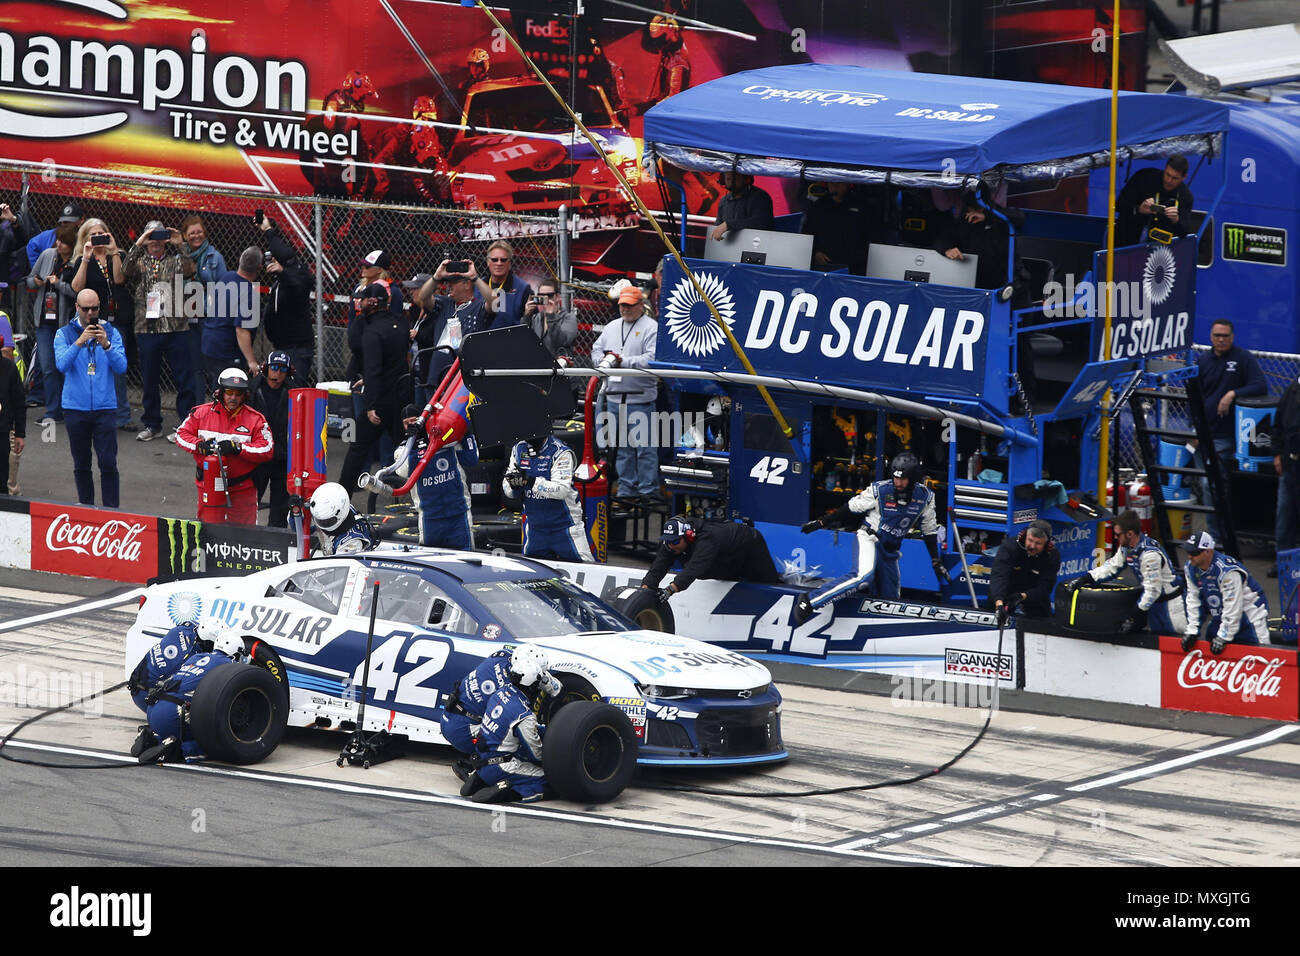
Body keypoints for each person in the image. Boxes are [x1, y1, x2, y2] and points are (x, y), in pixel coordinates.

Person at [797, 452, 946, 617]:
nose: (898, 482)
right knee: (863, 576)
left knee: (892, 604)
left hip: (890, 551)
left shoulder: (925, 497)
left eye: (903, 479)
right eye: (895, 478)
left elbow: (929, 529)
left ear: (913, 478)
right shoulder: (880, 490)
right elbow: (851, 507)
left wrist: (935, 560)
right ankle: (810, 600)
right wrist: (821, 522)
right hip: (869, 538)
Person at [125, 219, 199, 441]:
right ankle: (152, 424)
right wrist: (139, 243)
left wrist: (180, 244)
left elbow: (190, 269)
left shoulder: (175, 260)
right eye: (151, 238)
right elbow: (125, 270)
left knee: (184, 377)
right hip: (147, 329)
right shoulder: (140, 262)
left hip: (176, 327)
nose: (155, 243)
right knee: (149, 379)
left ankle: (185, 425)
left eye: (159, 238)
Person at [457, 645, 557, 804]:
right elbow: (536, 753)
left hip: (481, 758)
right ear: (532, 686)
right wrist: (556, 759)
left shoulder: (500, 692)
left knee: (510, 742)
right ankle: (510, 790)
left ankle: (480, 777)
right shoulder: (524, 715)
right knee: (551, 780)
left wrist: (546, 731)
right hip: (502, 766)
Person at [1194, 319, 1266, 539]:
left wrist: (1233, 394)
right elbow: (1195, 397)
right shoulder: (1203, 361)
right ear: (1211, 337)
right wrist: (1194, 429)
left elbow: (1260, 385)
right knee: (1201, 481)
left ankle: (1217, 537)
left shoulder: (1243, 359)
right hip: (1203, 434)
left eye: (1225, 336)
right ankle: (1215, 533)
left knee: (1210, 484)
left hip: (1227, 437)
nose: (1221, 339)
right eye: (1217, 335)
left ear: (1232, 337)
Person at [175, 367, 274, 524]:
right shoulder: (200, 413)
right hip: (208, 485)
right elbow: (180, 435)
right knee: (207, 532)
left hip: (242, 488)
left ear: (244, 395)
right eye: (229, 392)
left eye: (238, 393)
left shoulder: (256, 419)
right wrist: (199, 445)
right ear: (220, 392)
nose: (233, 397)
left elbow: (267, 449)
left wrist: (238, 448)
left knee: (244, 536)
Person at [55, 290, 126, 507]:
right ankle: (86, 508)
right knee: (82, 463)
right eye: (85, 309)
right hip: (75, 407)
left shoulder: (111, 332)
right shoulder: (64, 333)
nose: (90, 313)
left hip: (105, 407)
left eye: (94, 308)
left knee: (108, 463)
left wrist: (106, 345)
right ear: (77, 307)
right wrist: (79, 342)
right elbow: (61, 365)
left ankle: (111, 511)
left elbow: (121, 367)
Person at [339, 282, 411, 496]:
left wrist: (370, 405)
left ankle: (342, 496)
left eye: (362, 300)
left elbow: (373, 370)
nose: (358, 304)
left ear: (371, 302)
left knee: (356, 448)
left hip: (380, 402)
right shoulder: (400, 322)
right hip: (402, 397)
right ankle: (418, 495)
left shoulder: (372, 333)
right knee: (406, 450)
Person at [1063, 509, 1186, 635]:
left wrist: (1133, 615)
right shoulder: (1127, 548)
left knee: (1176, 644)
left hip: (1171, 607)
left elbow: (1153, 590)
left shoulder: (1150, 555)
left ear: (1130, 534)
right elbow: (1112, 567)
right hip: (1155, 605)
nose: (1115, 538)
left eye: (1117, 534)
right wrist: (1086, 578)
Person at [64, 218, 134, 433]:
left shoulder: (119, 255)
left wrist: (113, 252)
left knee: (117, 366)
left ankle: (122, 415)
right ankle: (92, 413)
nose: (98, 239)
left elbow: (119, 279)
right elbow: (76, 287)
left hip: (117, 319)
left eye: (101, 234)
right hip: (94, 319)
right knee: (92, 366)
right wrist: (85, 258)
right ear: (85, 238)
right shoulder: (82, 259)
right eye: (93, 235)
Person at [136, 627, 245, 764]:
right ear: (235, 652)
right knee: (217, 742)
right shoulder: (228, 665)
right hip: (173, 713)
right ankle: (181, 750)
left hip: (154, 708)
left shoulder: (196, 657)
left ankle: (152, 737)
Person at [590, 285, 659, 498]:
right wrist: (603, 362)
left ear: (640, 305)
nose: (625, 309)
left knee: (645, 448)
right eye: (622, 305)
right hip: (614, 397)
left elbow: (652, 359)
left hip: (640, 397)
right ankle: (627, 489)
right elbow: (596, 349)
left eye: (629, 305)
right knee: (622, 449)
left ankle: (647, 491)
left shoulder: (651, 327)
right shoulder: (612, 326)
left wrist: (621, 361)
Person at [386, 403, 479, 550]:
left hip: (459, 513)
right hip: (430, 518)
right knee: (433, 563)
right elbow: (403, 471)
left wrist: (466, 433)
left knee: (465, 561)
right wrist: (416, 445)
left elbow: (471, 459)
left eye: (414, 420)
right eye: (406, 423)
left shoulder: (445, 435)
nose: (411, 425)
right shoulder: (402, 449)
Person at [441, 648, 562, 759]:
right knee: (514, 737)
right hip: (462, 731)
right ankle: (479, 764)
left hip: (450, 713)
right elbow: (556, 688)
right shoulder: (509, 688)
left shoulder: (502, 655)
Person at [502, 431, 593, 562]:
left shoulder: (560, 452)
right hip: (536, 529)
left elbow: (561, 490)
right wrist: (514, 486)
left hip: (566, 528)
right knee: (533, 576)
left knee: (587, 571)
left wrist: (530, 481)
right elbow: (508, 489)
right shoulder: (518, 449)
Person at [641, 515, 780, 600]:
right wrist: (645, 589)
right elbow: (658, 567)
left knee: (767, 581)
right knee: (723, 577)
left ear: (688, 536)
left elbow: (694, 568)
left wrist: (670, 590)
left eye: (676, 541)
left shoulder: (707, 539)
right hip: (725, 558)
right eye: (668, 541)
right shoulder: (670, 544)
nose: (671, 545)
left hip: (749, 545)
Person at [414, 259, 496, 395]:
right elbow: (424, 296)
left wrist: (475, 278)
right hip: (437, 376)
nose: (448, 286)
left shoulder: (478, 306)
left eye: (453, 283)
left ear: (467, 284)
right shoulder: (445, 304)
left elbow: (495, 303)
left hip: (462, 380)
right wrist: (436, 277)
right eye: (447, 283)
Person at [1180, 531, 1270, 653]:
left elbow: (1233, 607)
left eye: (1194, 553)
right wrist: (1192, 630)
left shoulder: (1227, 571)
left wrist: (1224, 636)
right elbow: (1193, 599)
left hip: (1250, 618)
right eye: (1188, 552)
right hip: (1222, 616)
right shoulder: (1190, 568)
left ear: (1208, 551)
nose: (1190, 557)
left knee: (1261, 658)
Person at [25, 223, 76, 426]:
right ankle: (52, 411)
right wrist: (36, 282)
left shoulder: (76, 262)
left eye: (63, 242)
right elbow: (29, 279)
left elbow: (76, 292)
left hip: (65, 323)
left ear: (72, 245)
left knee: (65, 366)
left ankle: (68, 408)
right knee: (47, 367)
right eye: (58, 240)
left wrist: (58, 284)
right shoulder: (48, 254)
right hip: (44, 320)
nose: (59, 244)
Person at [258, 216, 316, 383]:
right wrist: (268, 229)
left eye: (276, 260)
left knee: (293, 389)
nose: (271, 262)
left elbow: (296, 287)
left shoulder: (300, 279)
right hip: (281, 346)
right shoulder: (282, 280)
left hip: (296, 349)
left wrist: (283, 272)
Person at [179, 214, 228, 403]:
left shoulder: (215, 257)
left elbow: (224, 289)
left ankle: (216, 408)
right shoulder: (180, 257)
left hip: (210, 319)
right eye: (191, 233)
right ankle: (198, 410)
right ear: (184, 236)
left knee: (214, 367)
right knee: (195, 368)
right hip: (189, 318)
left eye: (199, 232)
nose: (196, 236)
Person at [934, 189, 1025, 291]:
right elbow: (943, 239)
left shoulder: (1000, 218)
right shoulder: (964, 222)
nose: (974, 212)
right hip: (975, 280)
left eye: (979, 209)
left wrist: (987, 216)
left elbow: (1019, 218)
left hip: (1007, 281)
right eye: (971, 209)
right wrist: (948, 249)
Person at [249, 351, 299, 528]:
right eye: (274, 368)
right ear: (266, 368)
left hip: (282, 458)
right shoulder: (252, 390)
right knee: (250, 502)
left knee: (280, 509)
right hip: (258, 456)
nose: (277, 373)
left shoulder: (294, 392)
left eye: (282, 370)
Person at [202, 247, 261, 388]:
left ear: (240, 262)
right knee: (230, 393)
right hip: (227, 351)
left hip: (209, 344)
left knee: (217, 388)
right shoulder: (248, 293)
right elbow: (241, 330)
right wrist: (251, 361)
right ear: (259, 267)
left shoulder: (226, 277)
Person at [801, 182, 883, 275]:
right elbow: (807, 233)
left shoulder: (863, 207)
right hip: (826, 266)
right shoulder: (818, 206)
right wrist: (816, 253)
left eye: (839, 183)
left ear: (847, 184)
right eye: (832, 183)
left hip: (855, 268)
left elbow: (874, 238)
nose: (835, 186)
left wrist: (860, 257)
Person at [989, 520, 1061, 620]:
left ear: (1046, 544)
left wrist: (1023, 596)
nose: (1032, 546)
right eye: (1030, 540)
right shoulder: (1009, 547)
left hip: (1033, 593)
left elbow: (1046, 586)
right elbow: (999, 575)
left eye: (1038, 543)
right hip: (1007, 589)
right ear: (1024, 536)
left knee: (1044, 620)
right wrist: (999, 603)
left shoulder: (1052, 556)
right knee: (995, 609)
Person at [1115, 155, 1193, 247]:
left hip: (1158, 251)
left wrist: (1176, 220)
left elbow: (1184, 232)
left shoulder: (1185, 195)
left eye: (1175, 178)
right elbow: (1119, 205)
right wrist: (1138, 209)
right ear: (1165, 169)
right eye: (1167, 174)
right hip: (1126, 242)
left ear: (1184, 177)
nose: (1169, 180)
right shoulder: (1145, 177)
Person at [1273, 371, 1300, 575]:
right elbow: (1278, 425)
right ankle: (1284, 563)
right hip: (1290, 463)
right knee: (1285, 516)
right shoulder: (1291, 390)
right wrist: (1277, 455)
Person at [306, 481, 378, 555]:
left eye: (328, 521)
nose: (323, 524)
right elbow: (300, 528)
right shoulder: (319, 510)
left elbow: (336, 565)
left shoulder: (351, 543)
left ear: (340, 514)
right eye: (320, 521)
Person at [710, 171, 774, 241]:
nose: (731, 182)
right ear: (723, 180)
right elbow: (718, 226)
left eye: (735, 178)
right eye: (728, 179)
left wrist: (728, 225)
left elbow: (759, 222)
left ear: (746, 179)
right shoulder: (723, 201)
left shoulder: (760, 197)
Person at [523, 277, 577, 357]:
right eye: (542, 295)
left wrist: (551, 317)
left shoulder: (568, 318)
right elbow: (523, 339)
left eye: (549, 295)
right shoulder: (536, 318)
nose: (546, 299)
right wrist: (526, 316)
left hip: (559, 364)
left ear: (557, 297)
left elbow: (562, 342)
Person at [481, 240, 530, 326]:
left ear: (510, 263)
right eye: (494, 260)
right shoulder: (478, 286)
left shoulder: (523, 288)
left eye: (503, 260)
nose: (499, 263)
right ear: (488, 262)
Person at [0, 342, 23, 496]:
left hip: (2, 431)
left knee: (2, 478)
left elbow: (19, 402)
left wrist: (20, 433)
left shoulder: (8, 368)